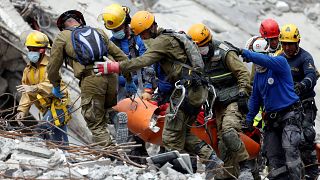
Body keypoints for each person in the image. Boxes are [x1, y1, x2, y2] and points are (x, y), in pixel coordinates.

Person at [93, 11, 224, 179]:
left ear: (148, 30)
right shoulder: (169, 36)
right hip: (195, 90)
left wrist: (115, 67)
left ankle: (180, 172)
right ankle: (210, 160)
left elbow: (143, 61)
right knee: (181, 131)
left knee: (170, 134)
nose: (143, 38)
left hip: (188, 91)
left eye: (143, 34)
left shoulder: (163, 41)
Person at [47, 10, 129, 147]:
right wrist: (129, 79)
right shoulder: (98, 31)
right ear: (80, 21)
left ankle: (112, 155)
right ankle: (116, 118)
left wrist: (56, 85)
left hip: (92, 80)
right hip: (111, 77)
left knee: (94, 122)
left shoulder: (62, 36)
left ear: (63, 26)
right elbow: (122, 57)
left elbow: (52, 68)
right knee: (107, 108)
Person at [188, 23, 254, 180]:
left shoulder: (225, 52)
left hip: (234, 100)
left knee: (229, 131)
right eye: (197, 48)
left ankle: (246, 166)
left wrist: (243, 93)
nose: (200, 51)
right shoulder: (195, 59)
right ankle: (230, 176)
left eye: (203, 47)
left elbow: (243, 73)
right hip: (216, 104)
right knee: (223, 145)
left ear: (209, 42)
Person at [236, 39, 304, 180]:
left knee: (290, 150)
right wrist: (249, 119)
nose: (258, 62)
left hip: (289, 115)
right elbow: (255, 99)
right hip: (272, 121)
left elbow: (264, 59)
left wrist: (245, 53)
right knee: (273, 157)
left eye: (259, 56)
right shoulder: (259, 77)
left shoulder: (280, 63)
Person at [279, 24, 319, 180]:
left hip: (305, 104)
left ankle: (311, 171)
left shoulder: (305, 57)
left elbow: (311, 76)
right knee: (286, 139)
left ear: (298, 42)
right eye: (285, 43)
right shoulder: (279, 58)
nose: (288, 47)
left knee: (306, 136)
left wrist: (301, 86)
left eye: (291, 44)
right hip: (285, 106)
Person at [16, 30, 70, 145]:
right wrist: (22, 110)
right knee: (58, 138)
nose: (31, 52)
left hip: (59, 104)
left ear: (42, 50)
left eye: (34, 49)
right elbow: (27, 92)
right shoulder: (28, 70)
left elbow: (52, 85)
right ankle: (66, 157)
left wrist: (34, 88)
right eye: (29, 49)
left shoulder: (51, 65)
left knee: (42, 128)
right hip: (46, 108)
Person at [99, 4, 148, 100]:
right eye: (112, 30)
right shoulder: (112, 42)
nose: (115, 32)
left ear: (125, 24)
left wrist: (146, 88)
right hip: (118, 87)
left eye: (117, 29)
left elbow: (146, 64)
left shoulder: (138, 39)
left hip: (139, 86)